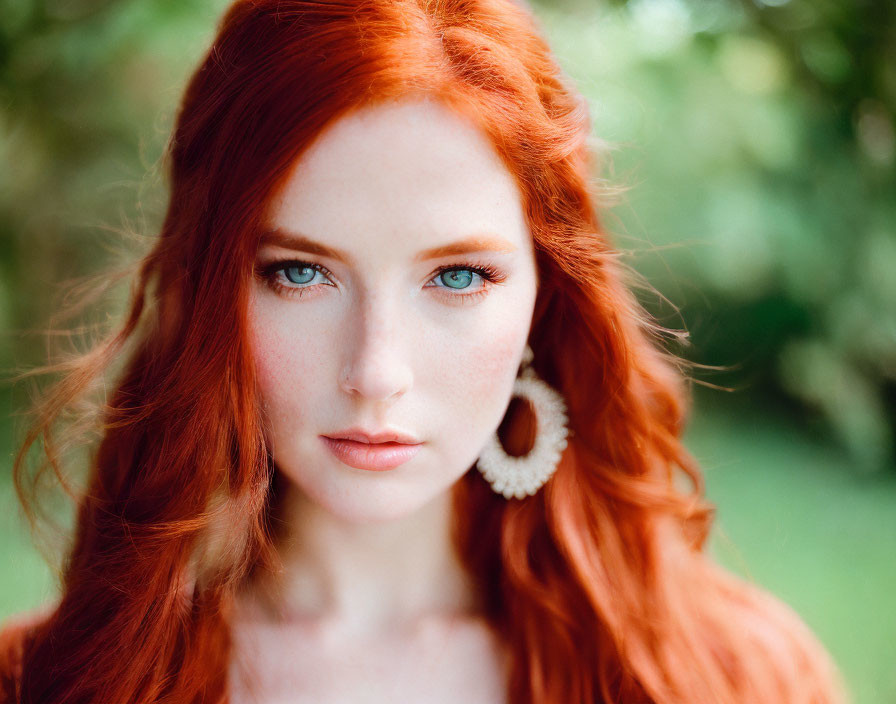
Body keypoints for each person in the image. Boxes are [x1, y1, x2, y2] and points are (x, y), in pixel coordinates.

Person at [1, 0, 850, 702]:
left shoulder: (736, 676)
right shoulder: (51, 682)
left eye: (457, 278)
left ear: (545, 296)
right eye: (299, 273)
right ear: (212, 288)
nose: (376, 374)